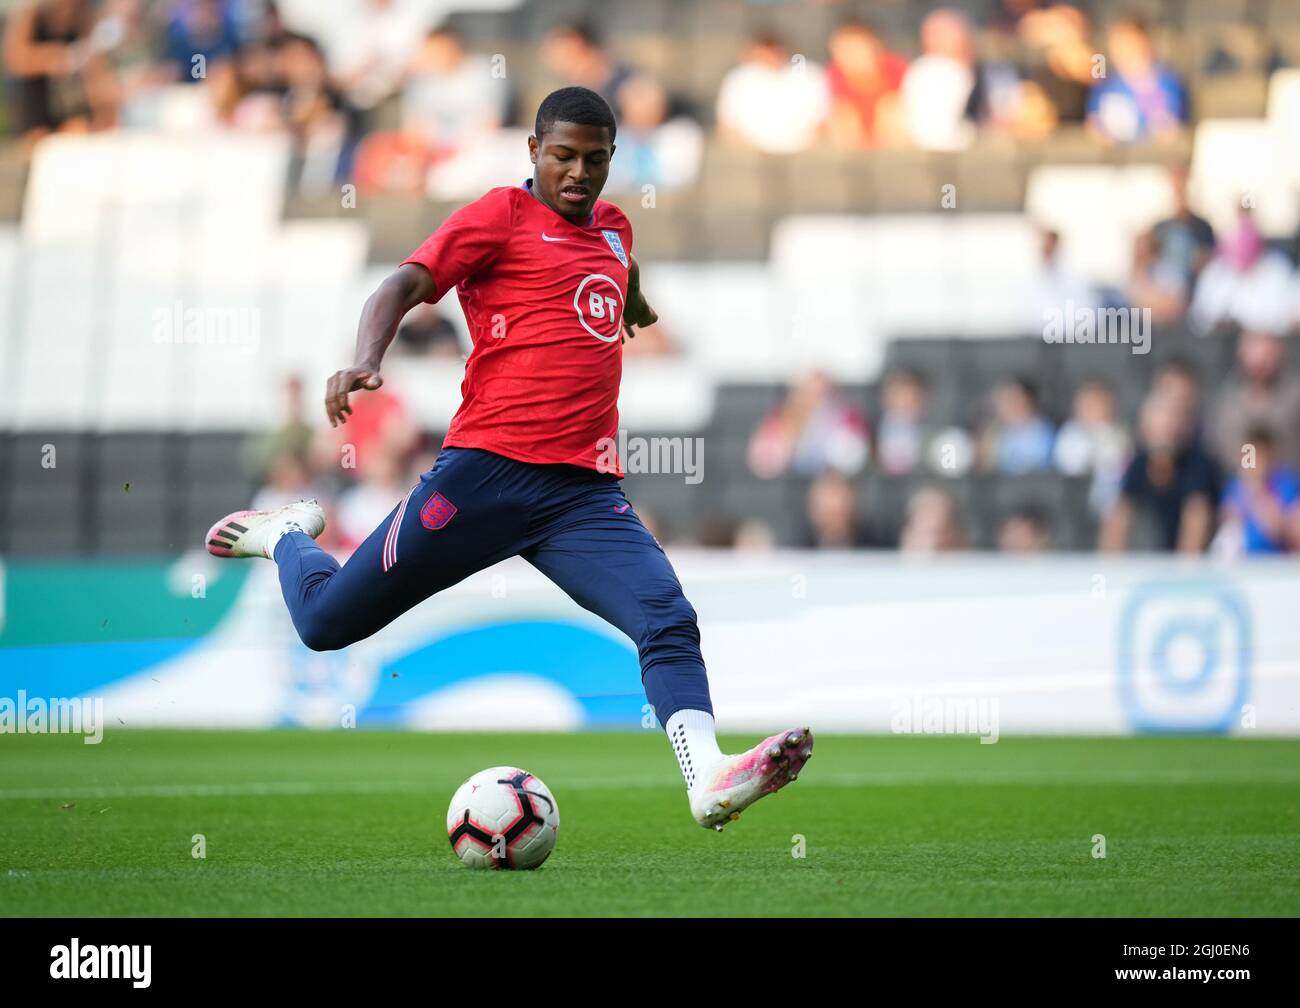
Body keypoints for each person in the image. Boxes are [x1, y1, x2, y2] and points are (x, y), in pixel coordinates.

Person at [204, 87, 812, 834]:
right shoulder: (498, 216)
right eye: (562, 155)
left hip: (582, 497)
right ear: (534, 151)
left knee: (667, 617)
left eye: (594, 159)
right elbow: (403, 283)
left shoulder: (615, 232)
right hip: (482, 476)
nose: (577, 172)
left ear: (613, 159)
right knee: (328, 623)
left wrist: (641, 313)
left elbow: (622, 280)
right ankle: (287, 535)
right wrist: (365, 360)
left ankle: (708, 778)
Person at [1100, 392, 1219, 552]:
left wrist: (1184, 571)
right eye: (1159, 429)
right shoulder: (1139, 464)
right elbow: (1119, 518)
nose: (1166, 432)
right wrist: (1109, 570)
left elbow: (1196, 523)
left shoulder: (1198, 465)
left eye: (1170, 426)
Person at [1216, 425, 1300, 555]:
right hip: (1244, 562)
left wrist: (1257, 492)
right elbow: (1227, 522)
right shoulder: (1235, 486)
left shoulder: (1287, 484)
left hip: (1277, 562)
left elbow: (1279, 529)